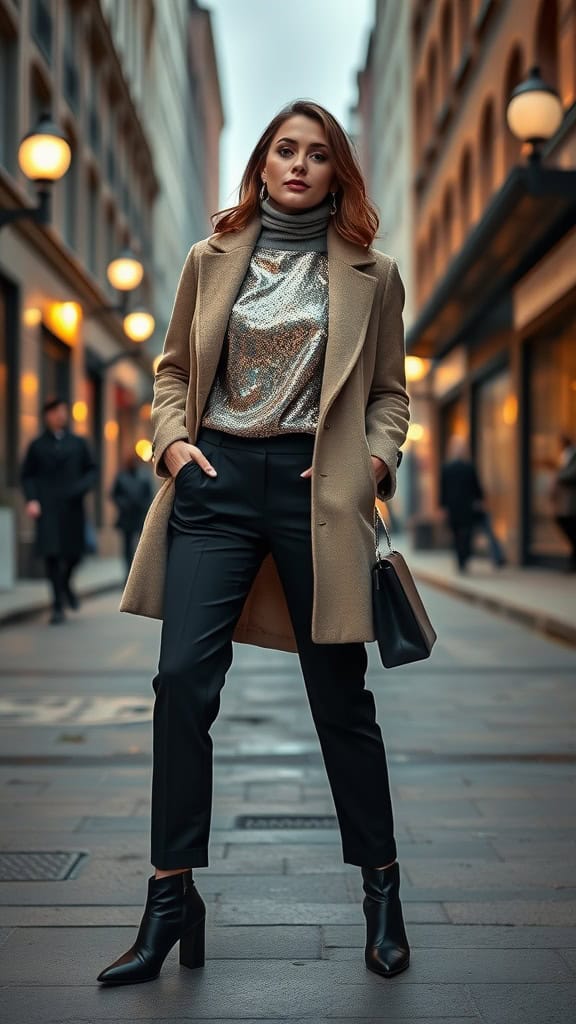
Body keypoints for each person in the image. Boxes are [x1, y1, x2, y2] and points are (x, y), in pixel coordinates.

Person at [97, 99, 411, 986]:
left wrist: (371, 467)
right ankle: (168, 898)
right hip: (217, 483)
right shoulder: (210, 260)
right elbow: (171, 371)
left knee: (339, 702)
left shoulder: (371, 274)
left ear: (337, 170)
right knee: (180, 685)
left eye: (318, 154)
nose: (300, 165)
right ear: (263, 163)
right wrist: (171, 444)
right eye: (286, 150)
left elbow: (390, 395)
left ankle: (382, 892)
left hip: (318, 491)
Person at [20, 397, 97, 624]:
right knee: (52, 556)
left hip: (72, 508)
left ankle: (65, 585)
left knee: (74, 554)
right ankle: (56, 606)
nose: (60, 415)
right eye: (55, 412)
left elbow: (92, 470)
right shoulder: (37, 446)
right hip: (48, 508)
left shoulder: (78, 443)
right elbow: (27, 475)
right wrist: (32, 499)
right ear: (47, 416)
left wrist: (80, 489)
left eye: (63, 411)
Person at [440, 435, 485, 573]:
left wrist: (479, 499)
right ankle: (461, 559)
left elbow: (476, 486)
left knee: (466, 533)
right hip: (454, 507)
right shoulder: (447, 468)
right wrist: (442, 506)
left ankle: (463, 558)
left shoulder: (469, 467)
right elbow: (443, 488)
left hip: (466, 506)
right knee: (457, 534)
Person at [110, 455, 153, 578]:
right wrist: (123, 504)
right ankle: (128, 573)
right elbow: (114, 494)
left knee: (142, 546)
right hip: (126, 517)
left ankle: (140, 573)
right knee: (127, 548)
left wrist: (144, 506)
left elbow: (149, 495)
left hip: (140, 517)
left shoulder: (144, 477)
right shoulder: (121, 477)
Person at [549, 433, 576, 572]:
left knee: (568, 524)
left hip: (571, 502)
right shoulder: (565, 456)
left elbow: (569, 474)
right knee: (563, 522)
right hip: (565, 501)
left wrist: (558, 475)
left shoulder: (572, 454)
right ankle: (573, 560)